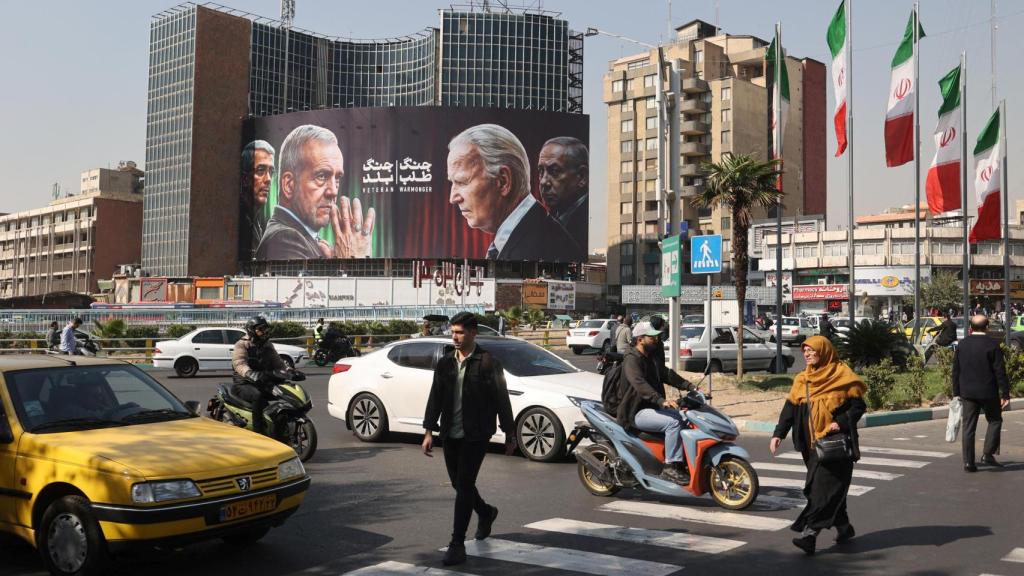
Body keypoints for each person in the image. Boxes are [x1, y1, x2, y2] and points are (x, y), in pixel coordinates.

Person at [422, 311, 515, 566]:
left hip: (477, 434)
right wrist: (429, 430)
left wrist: (510, 432)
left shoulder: (488, 363)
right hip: (450, 433)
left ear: (474, 333)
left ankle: (456, 543)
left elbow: (501, 398)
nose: (455, 337)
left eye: (460, 332)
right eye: (453, 332)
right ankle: (486, 512)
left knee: (464, 485)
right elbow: (436, 396)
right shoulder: (445, 363)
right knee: (458, 484)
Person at [769, 336, 866, 556]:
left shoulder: (843, 376)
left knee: (820, 491)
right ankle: (844, 528)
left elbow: (858, 406)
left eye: (812, 351)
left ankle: (810, 535)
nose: (808, 354)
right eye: (805, 351)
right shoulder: (802, 379)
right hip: (811, 446)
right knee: (828, 491)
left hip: (835, 445)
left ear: (825, 352)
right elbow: (790, 410)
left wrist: (839, 423)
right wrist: (778, 434)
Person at [447, 124, 582, 262]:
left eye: (462, 182)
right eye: (452, 182)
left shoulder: (543, 248)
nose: (453, 198)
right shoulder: (532, 232)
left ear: (503, 180)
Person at [256, 125, 375, 261]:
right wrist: (352, 261)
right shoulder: (284, 239)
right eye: (321, 176)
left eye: (337, 179)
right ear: (288, 185)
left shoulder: (302, 237)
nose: (334, 191)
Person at [618, 322, 698, 484]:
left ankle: (682, 461)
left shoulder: (651, 358)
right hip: (636, 411)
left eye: (657, 336)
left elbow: (667, 375)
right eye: (652, 337)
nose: (657, 339)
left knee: (686, 417)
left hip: (652, 407)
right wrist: (661, 400)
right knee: (673, 423)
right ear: (640, 339)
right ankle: (670, 467)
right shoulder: (631, 360)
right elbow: (640, 384)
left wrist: (691, 387)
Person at [953, 315, 1011, 472]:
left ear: (970, 327)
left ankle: (968, 462)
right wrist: (1005, 393)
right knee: (995, 420)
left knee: (968, 427)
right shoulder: (993, 345)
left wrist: (956, 392)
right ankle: (988, 453)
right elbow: (1000, 371)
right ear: (987, 328)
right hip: (988, 392)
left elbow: (956, 371)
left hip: (967, 392)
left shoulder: (962, 344)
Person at [231, 315, 289, 437]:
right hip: (243, 383)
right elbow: (239, 363)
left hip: (262, 380)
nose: (264, 332)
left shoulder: (267, 345)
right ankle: (258, 433)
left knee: (283, 391)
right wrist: (249, 373)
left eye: (265, 329)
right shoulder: (242, 344)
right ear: (252, 330)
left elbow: (278, 362)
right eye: (261, 329)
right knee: (258, 396)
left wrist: (290, 372)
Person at [537, 136, 589, 247]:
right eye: (541, 171)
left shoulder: (586, 225)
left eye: (555, 171)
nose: (543, 182)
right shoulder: (550, 218)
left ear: (582, 177)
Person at [241, 140, 275, 257]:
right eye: (261, 170)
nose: (268, 179)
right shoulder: (235, 225)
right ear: (245, 179)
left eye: (271, 171)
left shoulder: (257, 225)